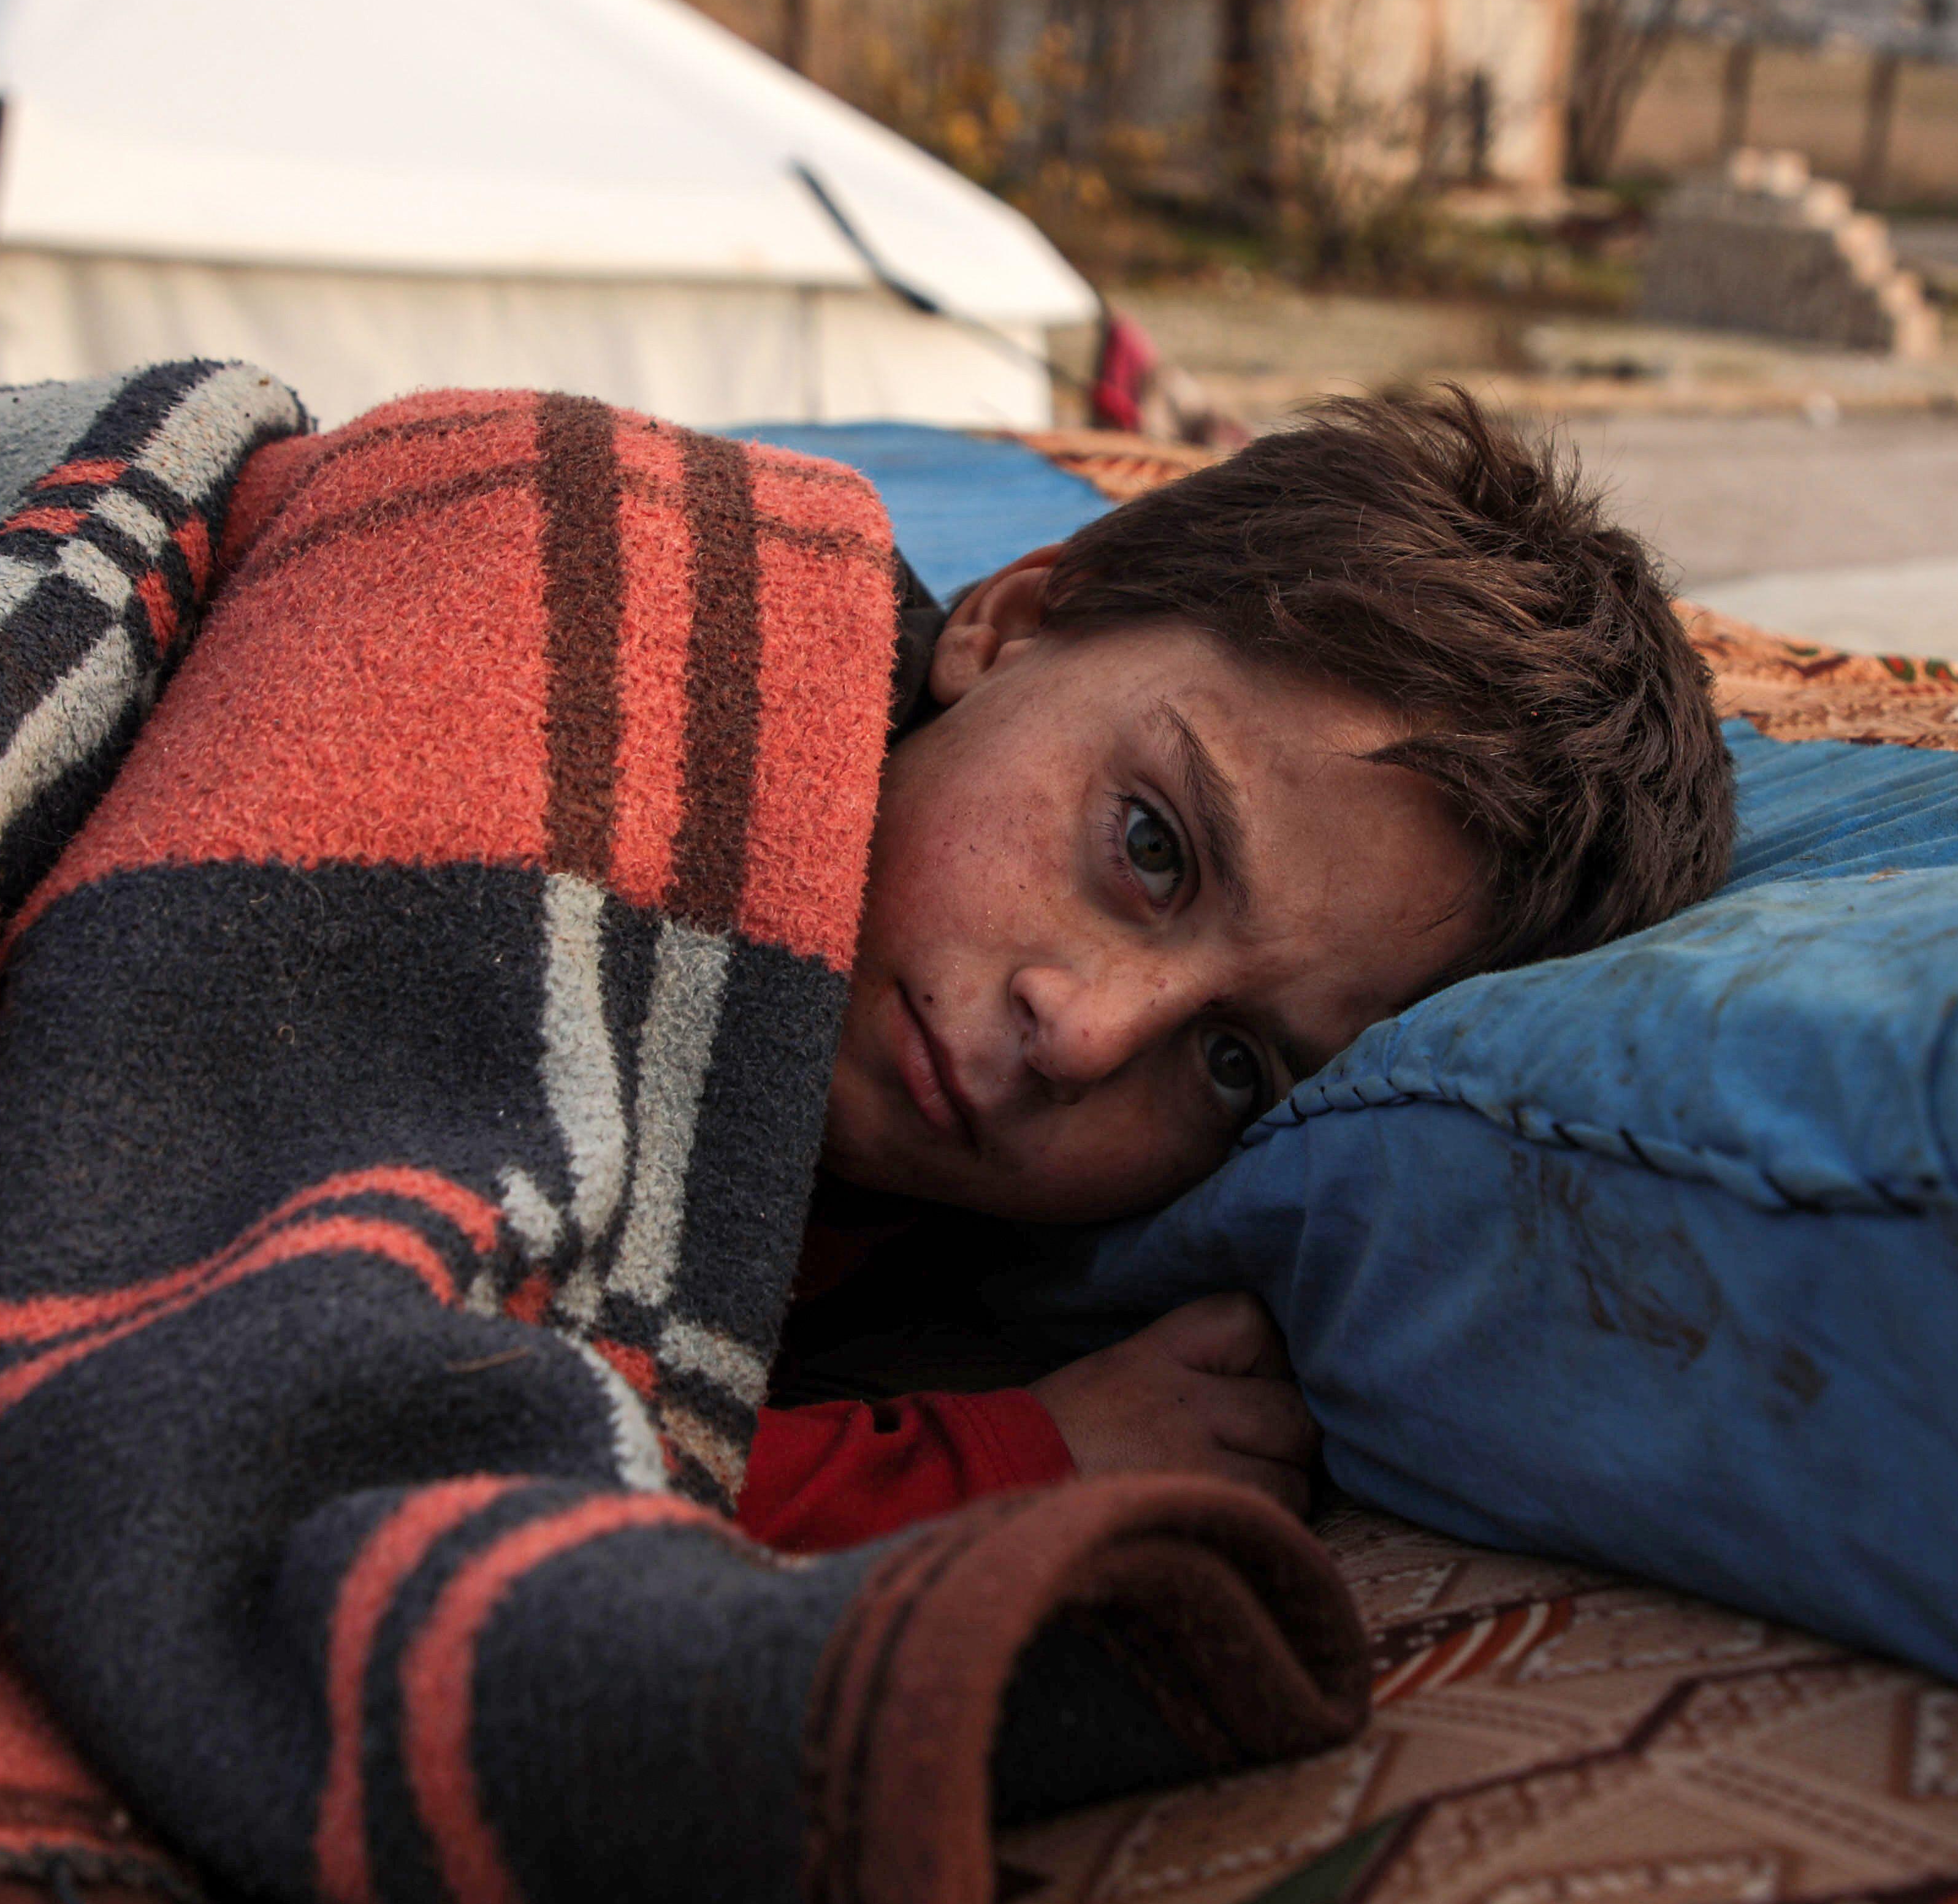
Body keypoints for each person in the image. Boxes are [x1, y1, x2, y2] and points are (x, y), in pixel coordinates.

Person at [736, 387, 1737, 1552]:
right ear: (1011, 624)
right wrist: (998, 1469)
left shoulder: (901, 1239)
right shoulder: (629, 659)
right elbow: (487, 1445)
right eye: (1152, 848)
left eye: (1230, 1068)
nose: (1087, 1038)